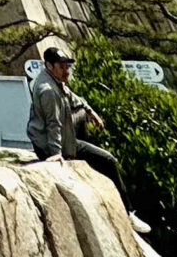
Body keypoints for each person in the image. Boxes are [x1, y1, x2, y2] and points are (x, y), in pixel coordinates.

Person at [27, 46, 122, 192]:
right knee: (109, 160)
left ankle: (80, 153)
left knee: (82, 112)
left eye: (67, 66)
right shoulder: (48, 91)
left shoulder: (55, 80)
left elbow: (75, 99)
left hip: (62, 136)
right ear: (49, 66)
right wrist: (56, 154)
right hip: (49, 145)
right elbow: (53, 124)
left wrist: (92, 113)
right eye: (62, 66)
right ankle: (129, 210)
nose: (67, 71)